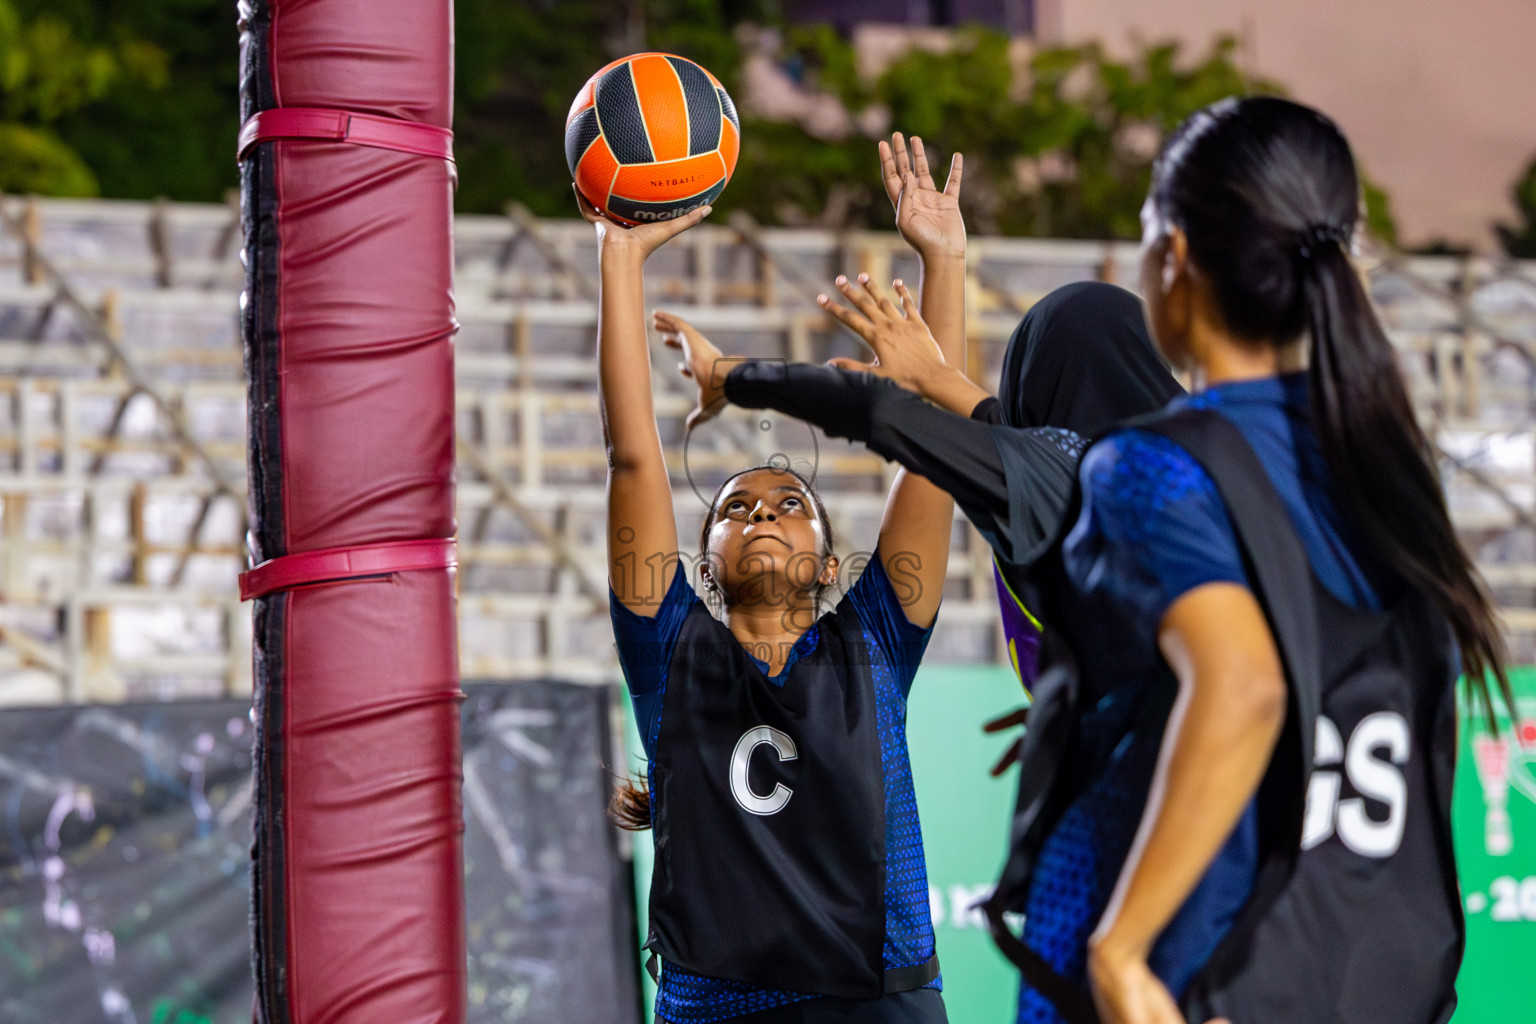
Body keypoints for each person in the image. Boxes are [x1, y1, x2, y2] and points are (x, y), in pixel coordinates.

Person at [988, 96, 1511, 1024]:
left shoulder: (1154, 464)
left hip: (1200, 973)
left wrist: (1123, 953)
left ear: (1176, 258)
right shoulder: (1387, 473)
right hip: (1364, 975)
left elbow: (1245, 685)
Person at [588, 133, 963, 1024]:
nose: (760, 513)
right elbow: (633, 460)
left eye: (788, 501)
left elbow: (942, 458)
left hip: (880, 1006)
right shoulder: (668, 647)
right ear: (703, 563)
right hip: (719, 1012)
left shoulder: (872, 639)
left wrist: (945, 262)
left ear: (832, 566)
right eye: (733, 507)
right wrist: (620, 250)